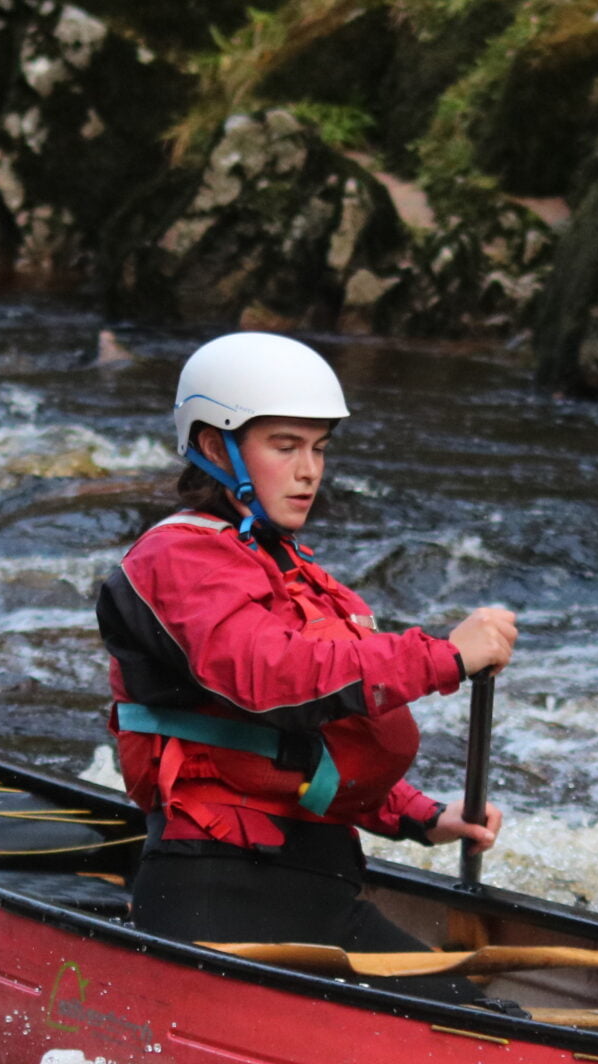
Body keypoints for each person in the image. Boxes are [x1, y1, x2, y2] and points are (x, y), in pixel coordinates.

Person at [95, 331, 517, 977]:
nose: (309, 470)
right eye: (285, 446)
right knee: (469, 1033)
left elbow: (308, 746)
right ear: (216, 446)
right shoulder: (177, 558)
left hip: (314, 886)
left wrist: (424, 816)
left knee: (477, 1013)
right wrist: (443, 657)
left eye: (318, 448)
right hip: (218, 891)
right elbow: (272, 677)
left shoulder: (291, 570)